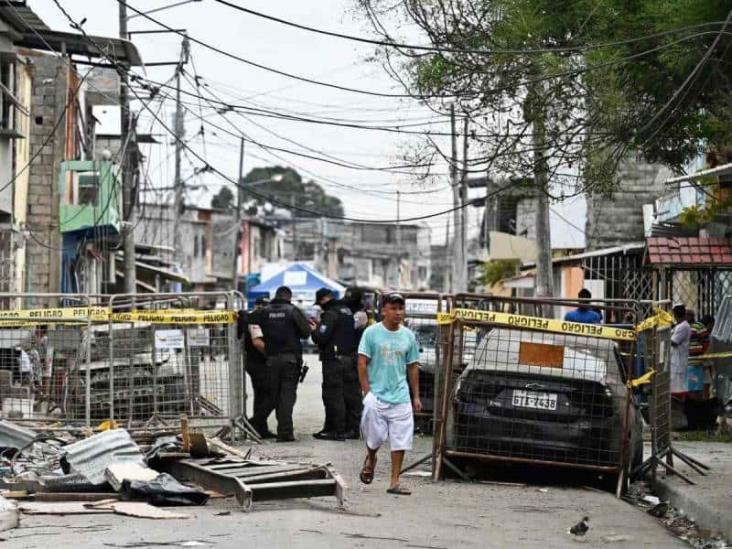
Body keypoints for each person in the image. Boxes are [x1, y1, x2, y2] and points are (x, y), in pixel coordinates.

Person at [358, 292, 422, 495]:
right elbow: (362, 362)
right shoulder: (371, 333)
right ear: (384, 310)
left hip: (400, 395)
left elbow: (412, 367)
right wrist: (367, 391)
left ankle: (394, 481)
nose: (397, 312)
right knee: (374, 437)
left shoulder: (408, 336)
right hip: (376, 395)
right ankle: (371, 458)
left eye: (400, 308)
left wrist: (416, 396)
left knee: (401, 439)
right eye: (393, 308)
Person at [259, 286, 311, 442]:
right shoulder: (293, 311)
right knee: (287, 395)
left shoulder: (265, 311)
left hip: (271, 359)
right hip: (290, 359)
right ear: (289, 297)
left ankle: (260, 423)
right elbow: (306, 332)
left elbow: (253, 322)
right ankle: (285, 432)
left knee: (275, 395)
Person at [310, 288, 361, 441]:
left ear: (323, 300)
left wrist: (315, 330)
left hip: (334, 360)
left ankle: (335, 430)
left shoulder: (331, 313)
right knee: (349, 395)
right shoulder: (347, 311)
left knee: (333, 395)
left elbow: (321, 337)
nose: (320, 307)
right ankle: (351, 429)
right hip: (349, 358)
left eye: (320, 304)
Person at [238, 296, 274, 439]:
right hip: (258, 362)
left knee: (260, 395)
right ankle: (255, 423)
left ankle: (260, 428)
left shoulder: (253, 318)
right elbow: (258, 343)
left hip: (254, 362)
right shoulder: (254, 319)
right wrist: (270, 355)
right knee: (270, 395)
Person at [670, 304, 692, 397]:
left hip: (679, 361)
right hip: (675, 360)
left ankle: (680, 404)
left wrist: (664, 336)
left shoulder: (683, 326)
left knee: (678, 386)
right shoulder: (679, 326)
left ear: (675, 315)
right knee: (674, 384)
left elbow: (674, 341)